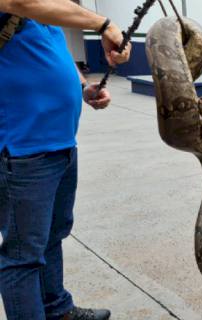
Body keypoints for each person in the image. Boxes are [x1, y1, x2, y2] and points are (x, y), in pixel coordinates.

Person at [0, 0, 132, 319]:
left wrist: (84, 87)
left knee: (52, 236)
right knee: (22, 256)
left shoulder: (43, 16)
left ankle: (58, 310)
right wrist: (104, 24)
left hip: (59, 145)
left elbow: (52, 50)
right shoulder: (21, 6)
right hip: (22, 151)